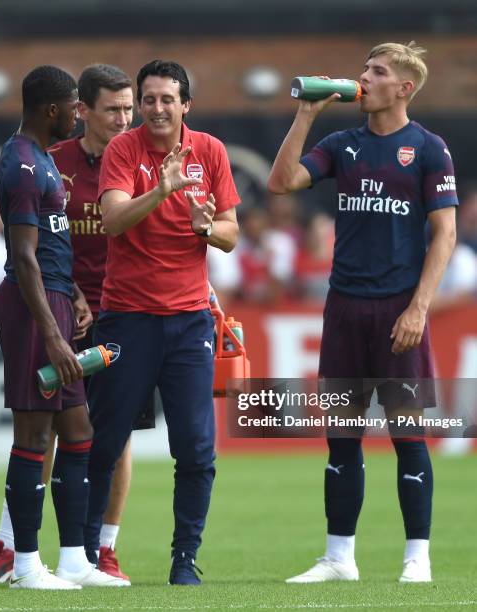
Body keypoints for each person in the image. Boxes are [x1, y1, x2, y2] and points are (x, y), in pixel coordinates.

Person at [268, 42, 457, 583]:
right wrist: (306, 114)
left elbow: (443, 235)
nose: (363, 79)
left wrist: (419, 307)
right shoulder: (341, 144)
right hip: (344, 309)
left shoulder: (427, 149)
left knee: (407, 435)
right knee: (342, 436)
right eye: (364, 70)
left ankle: (416, 558)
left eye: (377, 72)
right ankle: (338, 558)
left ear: (404, 89)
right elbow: (282, 183)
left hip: (399, 310)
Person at [0, 64, 144, 587]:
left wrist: (76, 293)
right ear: (52, 109)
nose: (76, 115)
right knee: (35, 434)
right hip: (31, 309)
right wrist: (52, 334)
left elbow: (51, 245)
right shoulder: (22, 166)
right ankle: (23, 564)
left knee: (79, 430)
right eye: (72, 106)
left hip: (61, 301)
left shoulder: (40, 159)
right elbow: (23, 257)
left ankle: (74, 560)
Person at [83, 59, 240, 585]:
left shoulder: (211, 150)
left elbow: (231, 232)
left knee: (196, 447)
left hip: (190, 320)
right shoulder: (124, 149)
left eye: (166, 99)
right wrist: (163, 191)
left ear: (185, 104)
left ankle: (184, 558)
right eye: (147, 99)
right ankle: (85, 556)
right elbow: (112, 219)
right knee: (105, 440)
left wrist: (207, 231)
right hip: (127, 319)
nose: (155, 108)